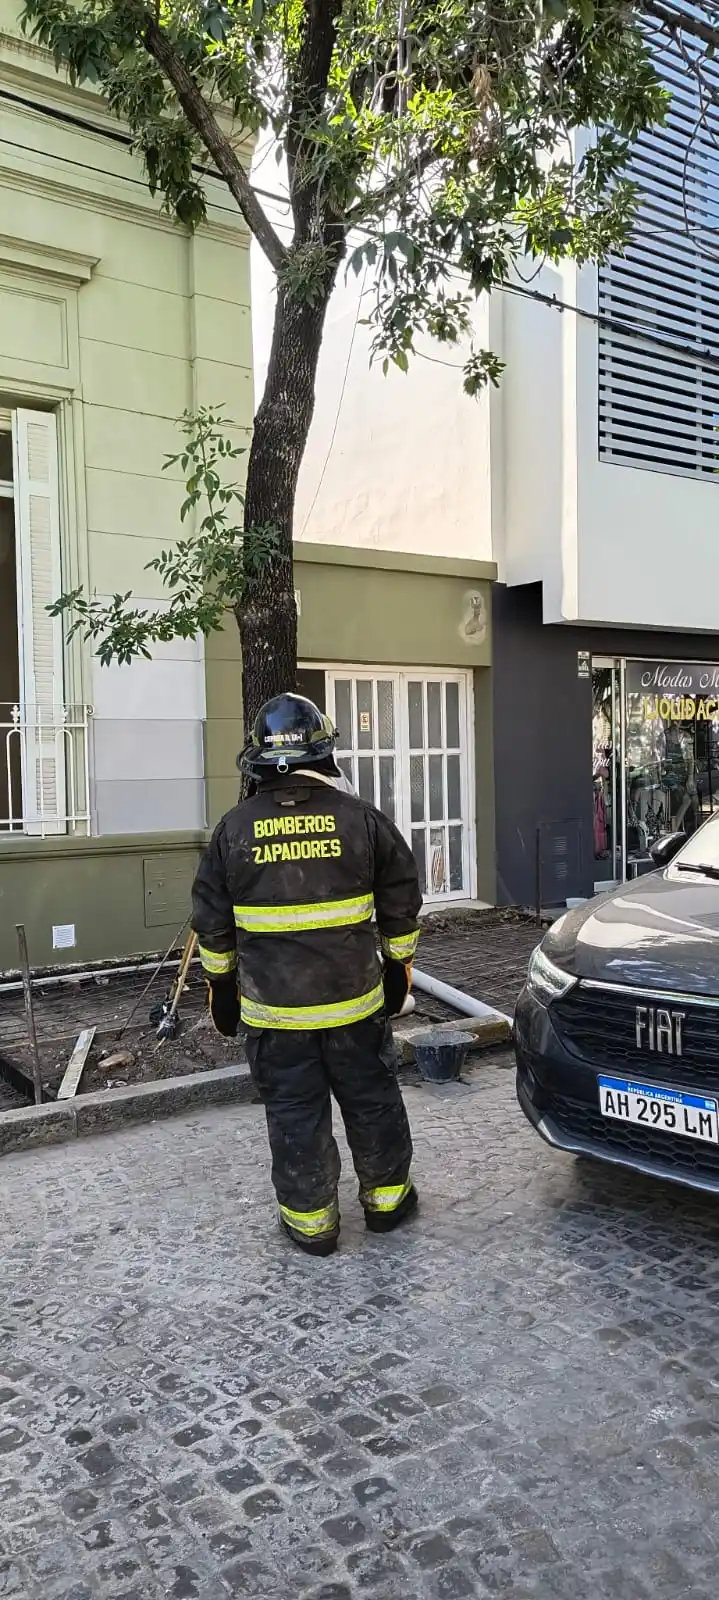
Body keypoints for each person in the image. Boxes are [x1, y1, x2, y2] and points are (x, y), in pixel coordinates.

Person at [191, 692, 422, 1257]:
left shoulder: (233, 830)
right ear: (323, 752)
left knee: (295, 1111)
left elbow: (212, 925)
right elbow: (400, 900)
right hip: (356, 1007)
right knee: (372, 1099)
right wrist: (398, 967)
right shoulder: (362, 820)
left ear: (258, 760)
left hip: (276, 1017)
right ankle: (387, 1204)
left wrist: (221, 989)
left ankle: (313, 1225)